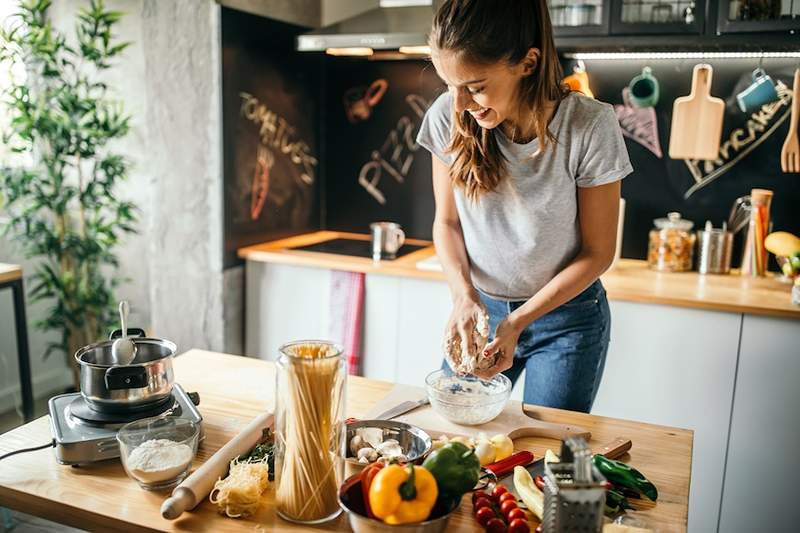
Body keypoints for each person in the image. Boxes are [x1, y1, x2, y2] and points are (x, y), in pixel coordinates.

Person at [416, 0, 633, 413]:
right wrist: (463, 297)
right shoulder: (448, 116)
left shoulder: (588, 126)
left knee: (547, 454)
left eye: (475, 86)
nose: (459, 103)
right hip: (480, 310)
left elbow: (598, 253)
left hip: (567, 320)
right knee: (456, 436)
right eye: (449, 85)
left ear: (529, 63)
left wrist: (517, 322)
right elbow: (446, 223)